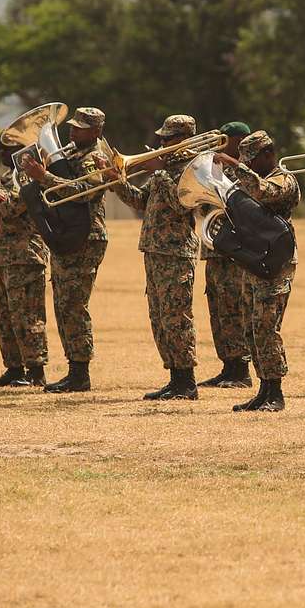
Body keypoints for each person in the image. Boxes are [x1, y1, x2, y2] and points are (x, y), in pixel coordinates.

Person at [111, 114, 202, 401]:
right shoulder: (166, 169)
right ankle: (174, 377)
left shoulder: (194, 168)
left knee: (177, 317)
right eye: (161, 138)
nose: (161, 143)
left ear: (183, 139)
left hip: (176, 252)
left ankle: (187, 382)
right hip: (154, 250)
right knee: (160, 317)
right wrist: (116, 182)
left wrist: (160, 172)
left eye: (168, 139)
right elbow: (141, 201)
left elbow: (181, 206)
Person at [24, 106, 108, 394]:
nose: (72, 131)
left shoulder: (96, 158)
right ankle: (74, 367)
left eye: (80, 128)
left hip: (87, 236)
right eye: (72, 126)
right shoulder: (72, 152)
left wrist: (44, 177)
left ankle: (80, 373)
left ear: (96, 132)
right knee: (63, 304)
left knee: (74, 304)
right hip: (69, 233)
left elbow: (85, 190)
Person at [215, 130, 301, 412]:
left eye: (251, 159)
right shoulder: (250, 177)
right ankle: (264, 388)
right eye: (244, 160)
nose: (247, 164)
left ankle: (276, 392)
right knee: (251, 329)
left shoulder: (284, 179)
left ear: (268, 155)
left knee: (266, 327)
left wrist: (234, 165)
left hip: (277, 260)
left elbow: (264, 193)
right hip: (255, 258)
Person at [0, 140, 50, 388]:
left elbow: (13, 208)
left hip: (24, 257)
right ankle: (14, 368)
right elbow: (1, 217)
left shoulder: (29, 178)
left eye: (7, 149)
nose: (1, 154)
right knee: (3, 315)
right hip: (2, 257)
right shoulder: (9, 177)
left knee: (26, 315)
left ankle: (36, 371)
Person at [197, 121, 254, 390]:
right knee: (218, 310)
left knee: (235, 309)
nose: (219, 144)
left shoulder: (249, 169)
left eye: (226, 139)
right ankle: (228, 366)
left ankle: (241, 369)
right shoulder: (214, 167)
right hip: (215, 249)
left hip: (236, 252)